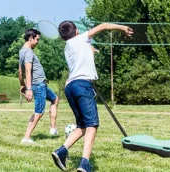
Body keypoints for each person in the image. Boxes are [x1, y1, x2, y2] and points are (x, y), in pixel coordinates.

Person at [52, 21, 133, 172]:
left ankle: (61, 151)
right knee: (92, 124)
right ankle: (84, 163)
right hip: (82, 85)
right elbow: (103, 26)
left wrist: (91, 51)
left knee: (82, 125)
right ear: (76, 31)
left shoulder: (68, 46)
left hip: (70, 86)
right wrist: (122, 28)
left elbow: (82, 55)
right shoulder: (81, 38)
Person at [18, 29, 60, 144]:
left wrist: (22, 85)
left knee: (55, 99)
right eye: (37, 39)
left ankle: (53, 129)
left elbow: (20, 72)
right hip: (38, 85)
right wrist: (29, 89)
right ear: (31, 38)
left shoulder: (22, 51)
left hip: (42, 84)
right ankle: (26, 138)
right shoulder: (28, 52)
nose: (38, 42)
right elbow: (27, 70)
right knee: (39, 112)